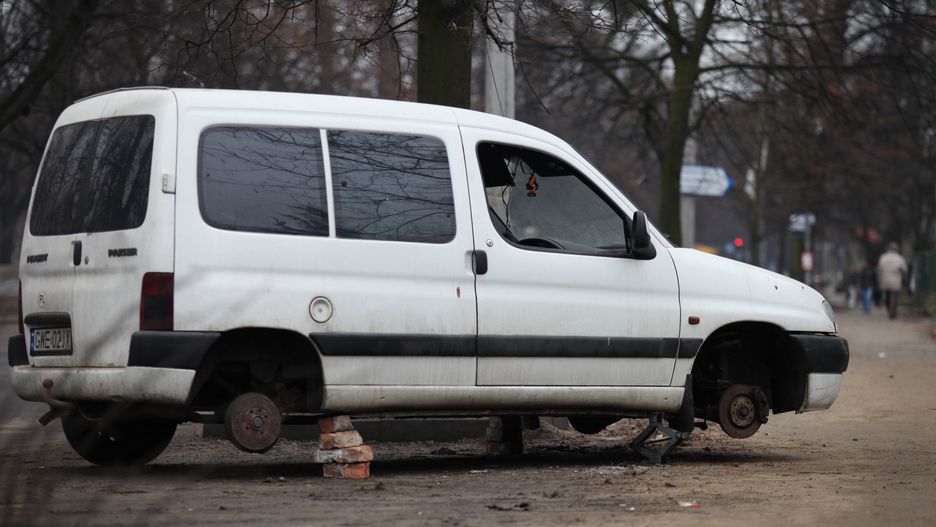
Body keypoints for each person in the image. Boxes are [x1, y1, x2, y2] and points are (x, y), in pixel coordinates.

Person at [877, 242, 908, 319]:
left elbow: (879, 268)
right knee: (894, 297)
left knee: (887, 296)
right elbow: (904, 269)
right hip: (896, 280)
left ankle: (889, 309)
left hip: (885, 279)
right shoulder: (899, 258)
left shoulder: (883, 257)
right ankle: (892, 312)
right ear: (897, 249)